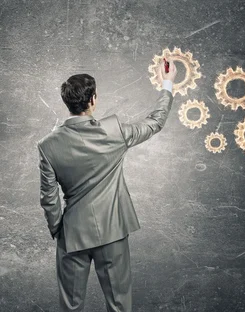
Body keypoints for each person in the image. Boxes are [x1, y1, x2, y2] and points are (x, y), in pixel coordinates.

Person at [36, 57, 177, 311]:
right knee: (119, 304)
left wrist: (60, 231)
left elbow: (49, 198)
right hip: (112, 232)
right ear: (92, 101)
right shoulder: (115, 132)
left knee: (70, 306)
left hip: (72, 236)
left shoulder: (47, 145)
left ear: (67, 103)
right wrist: (167, 83)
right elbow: (155, 122)